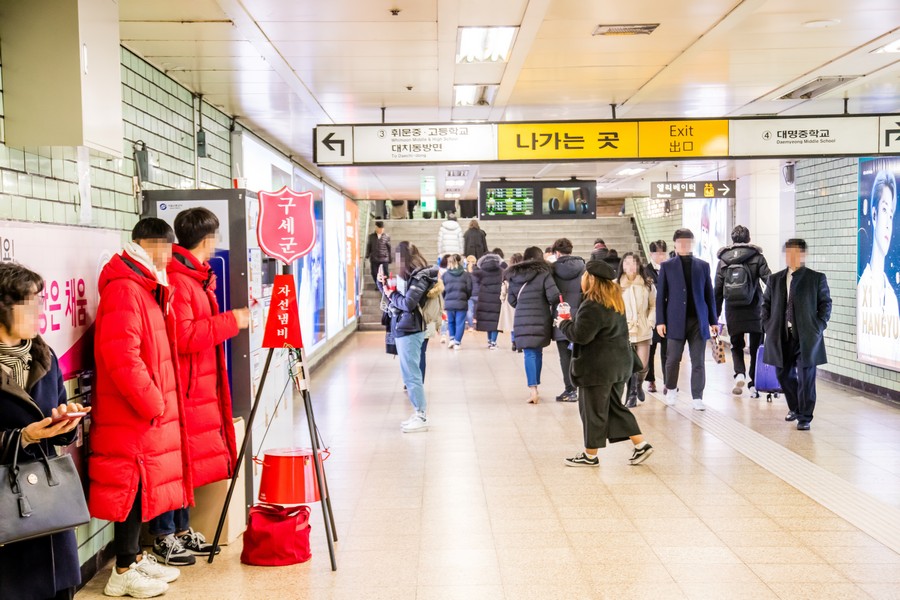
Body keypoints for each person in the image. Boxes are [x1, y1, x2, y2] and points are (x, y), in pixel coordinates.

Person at [90, 218, 188, 597]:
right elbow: (123, 357)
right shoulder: (125, 291)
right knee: (129, 486)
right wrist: (154, 403)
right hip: (132, 411)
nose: (169, 258)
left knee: (137, 484)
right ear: (153, 245)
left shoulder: (142, 286)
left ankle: (132, 556)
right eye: (167, 250)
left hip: (140, 410)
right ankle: (123, 571)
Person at [148, 208, 251, 563]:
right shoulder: (179, 280)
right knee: (173, 461)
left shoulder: (193, 277)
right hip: (182, 385)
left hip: (194, 384)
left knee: (186, 461)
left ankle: (180, 528)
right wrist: (231, 321)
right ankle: (164, 533)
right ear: (209, 240)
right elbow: (185, 335)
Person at [0, 263, 90, 600]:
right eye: (30, 302)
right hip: (6, 508)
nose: (40, 310)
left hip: (48, 503)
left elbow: (56, 417)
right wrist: (23, 437)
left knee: (55, 589)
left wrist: (64, 423)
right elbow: (27, 432)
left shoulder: (44, 356)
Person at [556, 260, 654, 467]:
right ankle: (641, 444)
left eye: (584, 276)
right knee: (613, 408)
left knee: (592, 411)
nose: (582, 280)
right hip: (619, 365)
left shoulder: (592, 304)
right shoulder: (614, 301)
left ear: (591, 279)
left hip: (598, 368)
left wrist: (563, 323)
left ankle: (590, 455)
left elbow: (581, 335)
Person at [762, 239, 832, 430]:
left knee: (806, 376)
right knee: (782, 374)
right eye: (788, 252)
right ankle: (795, 407)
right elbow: (765, 304)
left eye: (795, 253)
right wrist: (768, 325)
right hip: (781, 335)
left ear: (803, 255)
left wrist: (819, 325)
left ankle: (805, 417)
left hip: (807, 336)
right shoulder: (775, 279)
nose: (791, 257)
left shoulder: (816, 278)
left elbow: (825, 303)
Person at [378, 242, 439, 433]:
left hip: (411, 329)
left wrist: (390, 292)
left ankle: (421, 415)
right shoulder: (413, 276)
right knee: (409, 374)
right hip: (405, 327)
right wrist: (383, 286)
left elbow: (408, 303)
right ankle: (417, 413)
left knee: (412, 375)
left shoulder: (419, 277)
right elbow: (396, 300)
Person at [656, 229, 719, 411]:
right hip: (675, 320)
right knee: (672, 358)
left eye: (688, 242)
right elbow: (661, 297)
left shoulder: (703, 265)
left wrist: (713, 320)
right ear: (675, 244)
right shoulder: (667, 266)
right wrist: (661, 321)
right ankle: (671, 389)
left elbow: (709, 295)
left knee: (698, 360)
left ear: (693, 243)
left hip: (698, 321)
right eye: (681, 242)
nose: (684, 245)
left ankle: (697, 396)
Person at [715, 225, 772, 397]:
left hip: (733, 308)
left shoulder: (723, 260)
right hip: (754, 307)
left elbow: (717, 289)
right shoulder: (757, 257)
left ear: (733, 239)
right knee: (756, 345)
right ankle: (753, 383)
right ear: (748, 239)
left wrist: (715, 315)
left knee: (736, 344)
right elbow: (770, 281)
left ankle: (739, 372)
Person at [507, 246, 561, 404]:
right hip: (541, 316)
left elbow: (511, 300)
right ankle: (535, 386)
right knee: (537, 351)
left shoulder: (515, 274)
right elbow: (553, 296)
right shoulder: (544, 273)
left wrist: (523, 304)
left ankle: (533, 390)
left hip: (522, 317)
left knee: (529, 353)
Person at [857, 170, 898, 363]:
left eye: (891, 215)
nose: (888, 222)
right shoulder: (863, 287)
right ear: (873, 215)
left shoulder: (891, 298)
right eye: (884, 210)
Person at [550, 238, 586, 402]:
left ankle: (570, 390)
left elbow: (550, 294)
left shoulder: (552, 269)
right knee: (578, 353)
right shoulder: (583, 267)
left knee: (564, 355)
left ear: (557, 252)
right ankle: (582, 387)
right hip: (579, 314)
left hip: (561, 315)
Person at [619, 252, 656, 408]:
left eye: (633, 263)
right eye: (626, 263)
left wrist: (650, 322)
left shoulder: (647, 284)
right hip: (625, 330)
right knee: (628, 365)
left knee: (642, 365)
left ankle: (639, 384)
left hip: (643, 329)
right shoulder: (616, 285)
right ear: (622, 266)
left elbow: (654, 305)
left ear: (639, 265)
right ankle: (632, 394)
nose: (630, 266)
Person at [644, 240, 668, 393]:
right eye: (658, 253)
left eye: (663, 252)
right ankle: (651, 380)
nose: (661, 256)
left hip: (667, 316)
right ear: (651, 254)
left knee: (668, 352)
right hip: (652, 316)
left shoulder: (670, 268)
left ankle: (668, 382)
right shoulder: (645, 270)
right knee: (650, 351)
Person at [474, 250, 504, 349]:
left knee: (487, 320)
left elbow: (474, 280)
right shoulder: (501, 271)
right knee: (495, 321)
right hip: (497, 299)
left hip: (484, 298)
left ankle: (489, 340)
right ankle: (493, 342)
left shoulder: (481, 271)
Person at [442, 254, 472, 350]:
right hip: (461, 302)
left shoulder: (445, 275)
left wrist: (445, 298)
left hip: (449, 302)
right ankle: (457, 342)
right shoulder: (466, 275)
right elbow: (469, 289)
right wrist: (466, 297)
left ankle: (451, 339)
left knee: (450, 322)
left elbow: (442, 290)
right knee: (460, 322)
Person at [499, 253, 522, 352]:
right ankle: (520, 342)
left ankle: (514, 342)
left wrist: (502, 298)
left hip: (509, 298)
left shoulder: (507, 272)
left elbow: (503, 287)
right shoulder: (524, 272)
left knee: (512, 322)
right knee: (521, 323)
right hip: (522, 298)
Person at [365, 221, 392, 285]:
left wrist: (390, 258)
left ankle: (385, 285)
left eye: (382, 229)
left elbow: (389, 248)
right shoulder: (371, 236)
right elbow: (369, 246)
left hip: (384, 258)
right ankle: (378, 284)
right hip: (374, 258)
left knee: (385, 273)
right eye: (379, 228)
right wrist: (367, 255)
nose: (381, 230)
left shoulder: (386, 236)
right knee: (374, 273)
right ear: (376, 228)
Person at [465, 255, 478, 330]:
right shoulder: (479, 271)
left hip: (470, 294)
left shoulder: (465, 273)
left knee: (469, 311)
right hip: (479, 293)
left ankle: (471, 326)